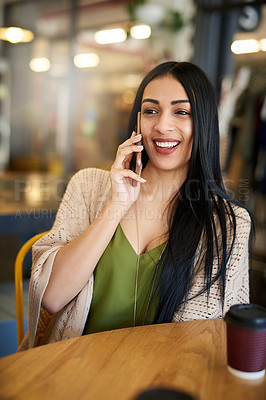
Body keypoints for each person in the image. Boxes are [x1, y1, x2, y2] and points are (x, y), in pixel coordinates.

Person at [19, 61, 253, 350]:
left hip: (160, 385)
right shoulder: (89, 186)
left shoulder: (227, 222)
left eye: (181, 112)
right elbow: (52, 297)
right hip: (74, 372)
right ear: (138, 122)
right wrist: (117, 204)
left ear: (204, 123)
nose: (162, 125)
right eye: (151, 111)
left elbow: (213, 339)